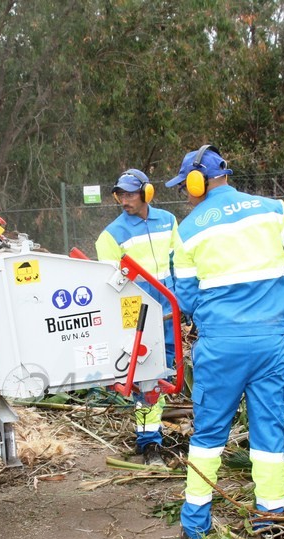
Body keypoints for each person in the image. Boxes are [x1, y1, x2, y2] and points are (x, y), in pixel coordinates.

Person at [165, 145, 284, 539]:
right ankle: (271, 518)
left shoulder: (188, 229)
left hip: (221, 349)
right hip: (269, 346)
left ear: (199, 182)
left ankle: (194, 526)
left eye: (185, 186)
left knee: (208, 436)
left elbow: (186, 300)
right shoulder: (269, 209)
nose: (185, 194)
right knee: (268, 432)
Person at [94, 169, 184, 467]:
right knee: (148, 373)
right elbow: (108, 285)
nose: (123, 200)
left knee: (167, 369)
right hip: (138, 311)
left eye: (130, 193)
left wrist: (183, 301)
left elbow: (180, 263)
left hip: (169, 307)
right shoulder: (110, 236)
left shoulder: (169, 221)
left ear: (147, 193)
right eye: (120, 194)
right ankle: (149, 443)